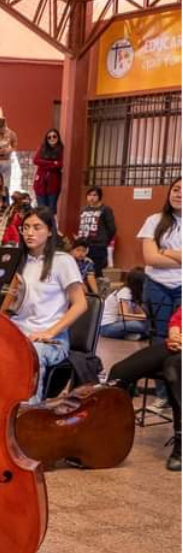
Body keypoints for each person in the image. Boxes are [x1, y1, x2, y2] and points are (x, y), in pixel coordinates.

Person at [10, 206, 88, 403]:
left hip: (50, 340)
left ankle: (29, 414)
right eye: (26, 227)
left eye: (37, 227)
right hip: (17, 334)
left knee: (30, 355)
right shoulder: (16, 260)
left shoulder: (63, 261)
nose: (30, 233)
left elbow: (80, 304)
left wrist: (50, 332)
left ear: (50, 231)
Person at [107, 308, 181, 471]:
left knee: (174, 369)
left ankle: (180, 444)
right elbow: (178, 317)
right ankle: (110, 433)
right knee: (120, 371)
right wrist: (175, 333)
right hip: (177, 343)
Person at [137, 177, 182, 340]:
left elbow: (157, 255)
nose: (179, 194)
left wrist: (163, 251)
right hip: (156, 285)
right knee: (158, 337)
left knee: (179, 338)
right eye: (176, 189)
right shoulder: (154, 220)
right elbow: (151, 258)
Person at [100, 268, 149, 340]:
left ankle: (132, 335)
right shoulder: (125, 292)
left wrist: (145, 317)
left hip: (118, 324)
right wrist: (145, 317)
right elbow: (124, 316)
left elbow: (140, 313)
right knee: (142, 326)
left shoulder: (133, 293)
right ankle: (134, 334)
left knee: (149, 325)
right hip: (106, 327)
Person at [76, 186, 116, 276]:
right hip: (84, 245)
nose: (92, 197)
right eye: (89, 195)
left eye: (95, 195)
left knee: (96, 271)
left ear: (99, 197)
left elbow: (112, 228)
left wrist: (104, 241)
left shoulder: (105, 209)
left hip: (98, 246)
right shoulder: (83, 209)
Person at [32, 129, 63, 211]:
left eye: (54, 136)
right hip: (40, 184)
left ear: (58, 137)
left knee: (51, 210)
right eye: (49, 137)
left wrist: (43, 164)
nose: (52, 139)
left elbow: (60, 164)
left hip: (53, 184)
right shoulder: (42, 148)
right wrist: (53, 163)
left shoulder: (61, 149)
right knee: (41, 210)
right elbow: (35, 160)